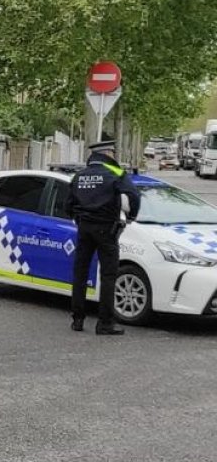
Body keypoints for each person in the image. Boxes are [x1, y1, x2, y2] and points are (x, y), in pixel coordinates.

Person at [65, 139, 140, 335]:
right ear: (107, 154)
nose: (114, 156)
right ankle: (105, 323)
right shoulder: (115, 173)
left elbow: (67, 204)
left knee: (80, 273)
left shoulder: (79, 176)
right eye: (113, 153)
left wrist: (78, 218)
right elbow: (133, 196)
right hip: (107, 229)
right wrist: (131, 216)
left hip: (84, 228)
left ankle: (78, 320)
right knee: (108, 275)